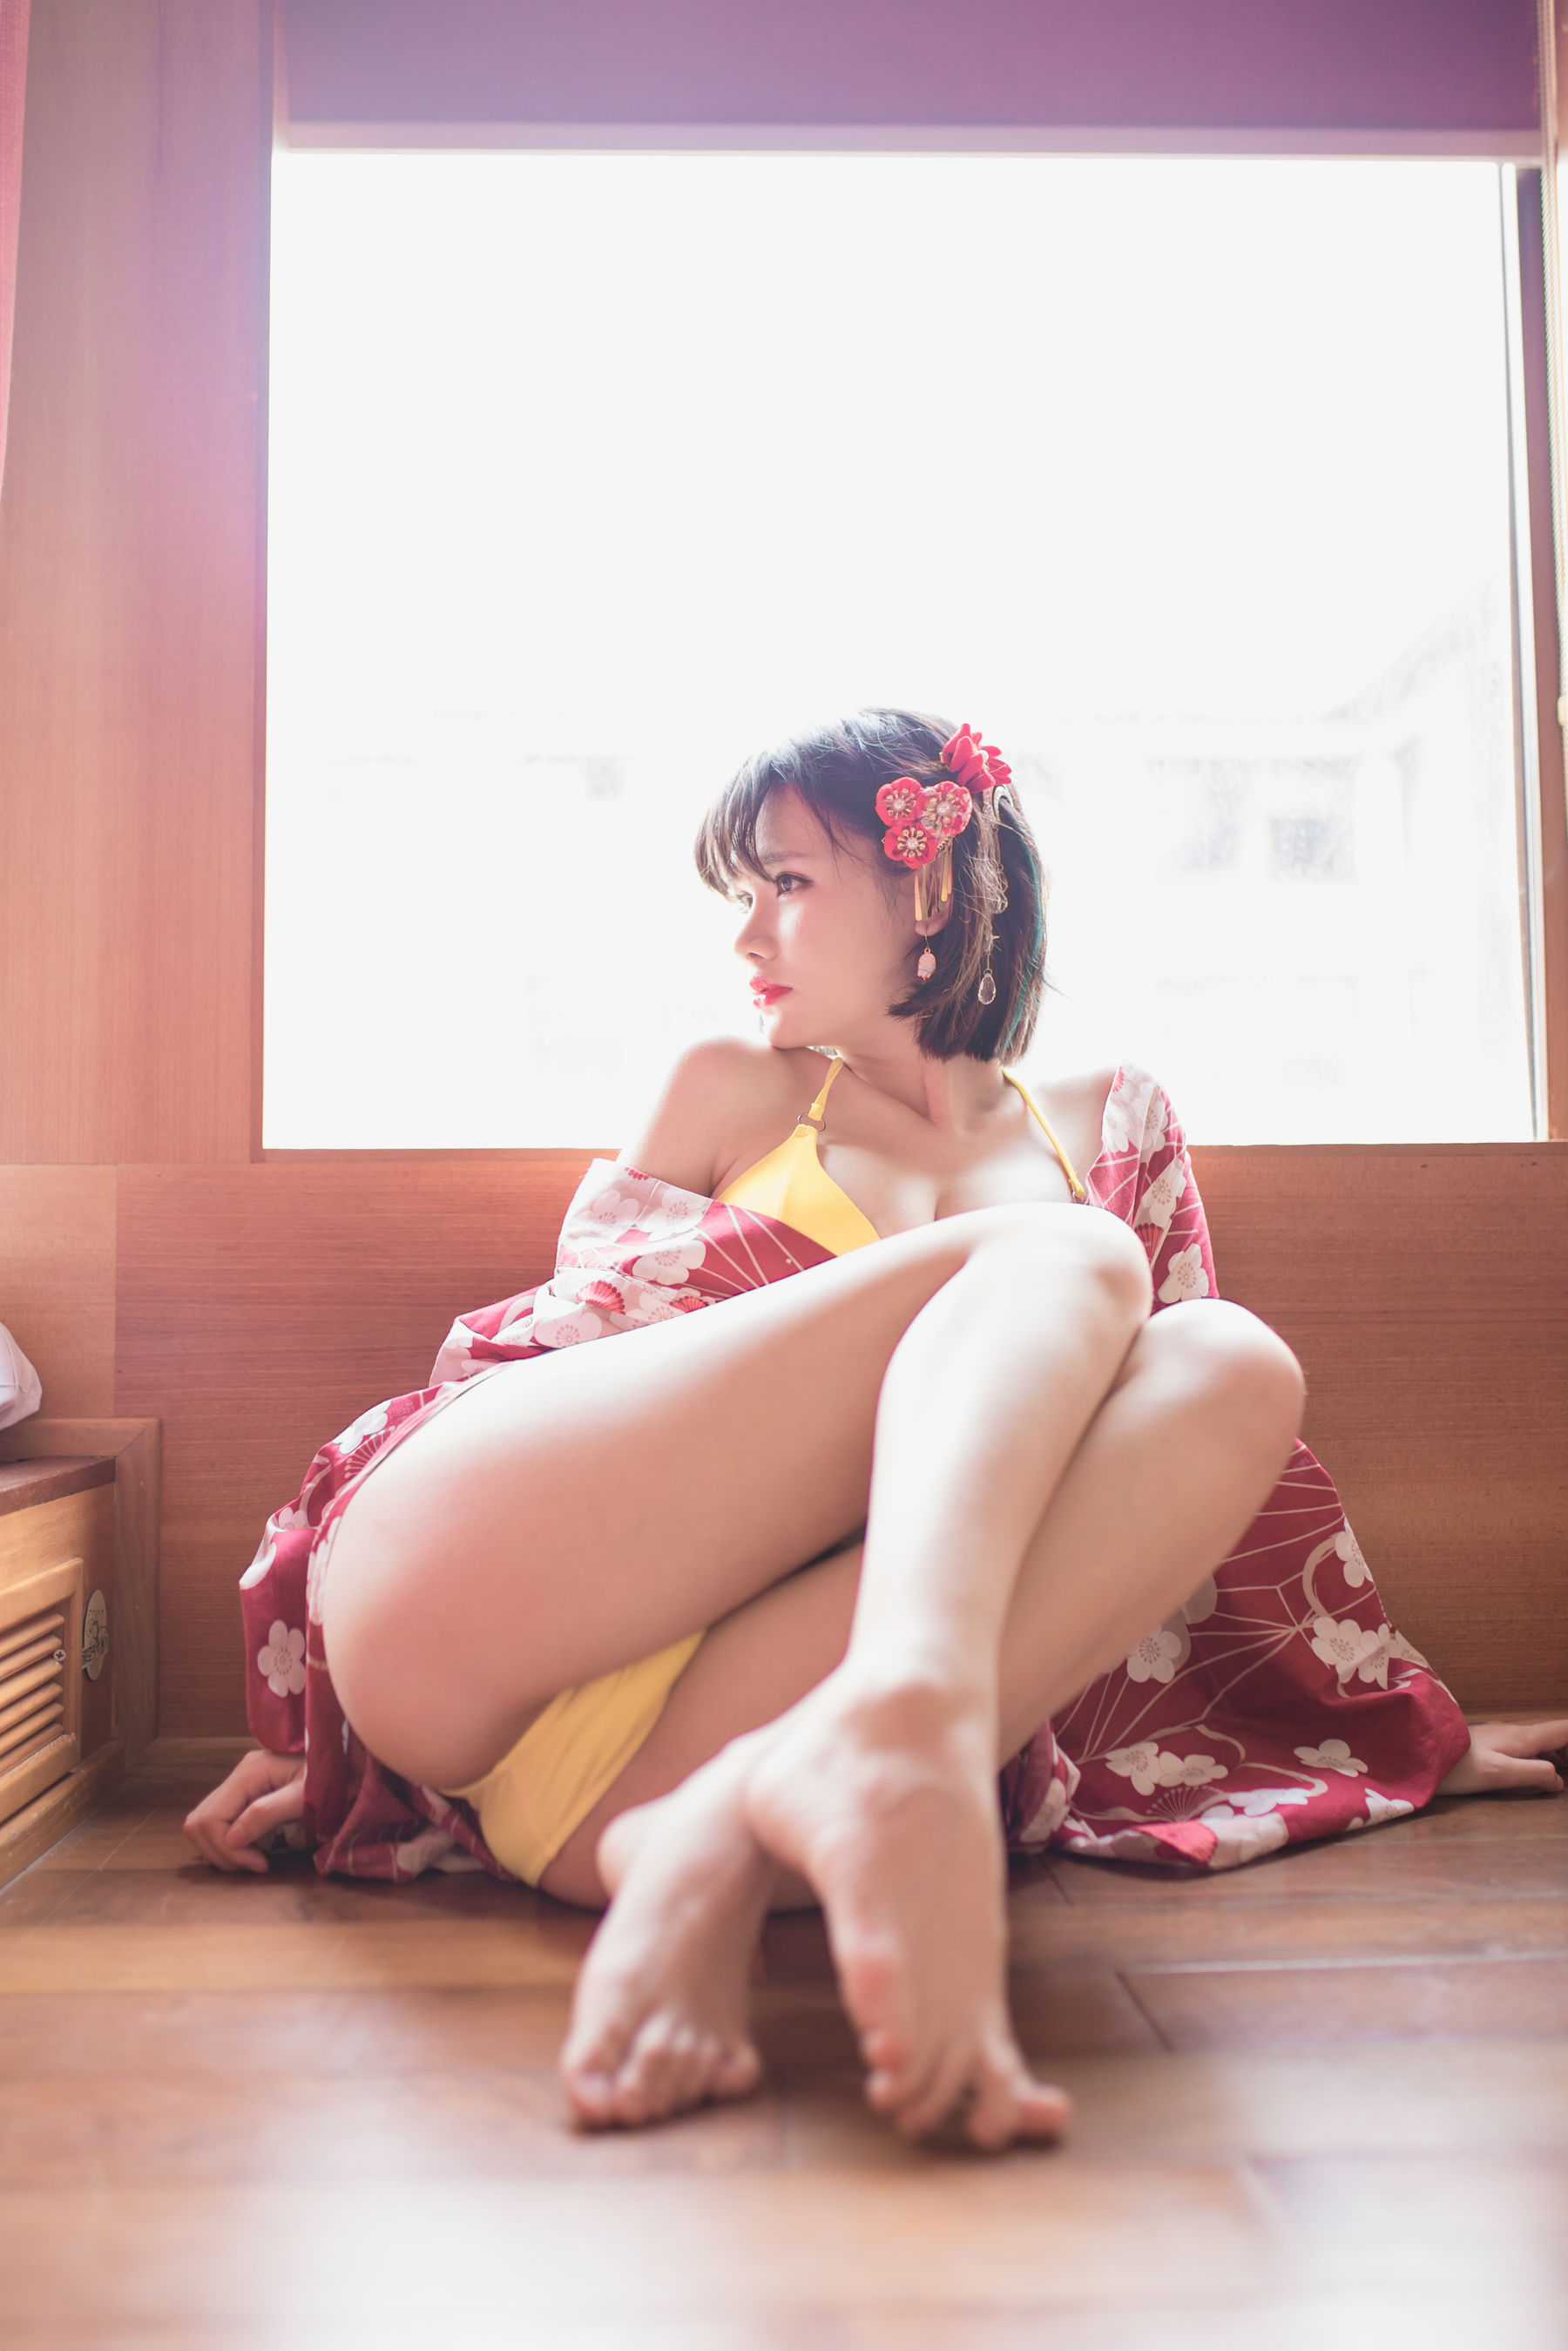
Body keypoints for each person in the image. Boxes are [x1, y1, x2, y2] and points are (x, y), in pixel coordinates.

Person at [186, 708, 1568, 2149]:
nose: (748, 935)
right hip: (504, 1621)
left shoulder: (1115, 1124)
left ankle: (766, 1802)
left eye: (786, 884)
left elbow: (1174, 1532)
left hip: (630, 1792)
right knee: (1074, 1257)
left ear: (931, 887)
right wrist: (317, 1740)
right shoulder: (730, 1084)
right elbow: (573, 1390)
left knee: (1231, 1361)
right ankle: (904, 1722)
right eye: (745, 891)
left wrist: (1396, 1734)